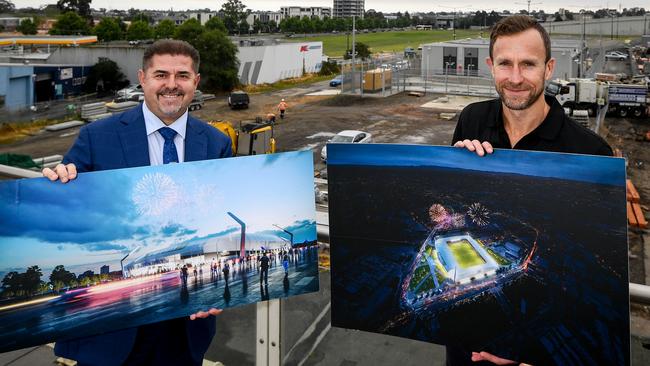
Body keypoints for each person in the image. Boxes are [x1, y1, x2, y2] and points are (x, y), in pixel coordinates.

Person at [42, 39, 231, 366]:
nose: (171, 85)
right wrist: (59, 181)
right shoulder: (97, 137)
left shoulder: (217, 143)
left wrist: (218, 287)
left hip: (185, 326)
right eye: (161, 75)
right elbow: (66, 211)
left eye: (182, 76)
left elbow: (224, 220)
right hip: (112, 329)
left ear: (196, 83)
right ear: (142, 78)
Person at [449, 15, 612, 366]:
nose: (516, 78)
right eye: (505, 64)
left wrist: (529, 352)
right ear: (491, 67)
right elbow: (460, 213)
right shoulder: (471, 120)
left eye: (528, 64)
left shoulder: (591, 153)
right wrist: (457, 173)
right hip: (466, 344)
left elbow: (588, 276)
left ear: (549, 68)